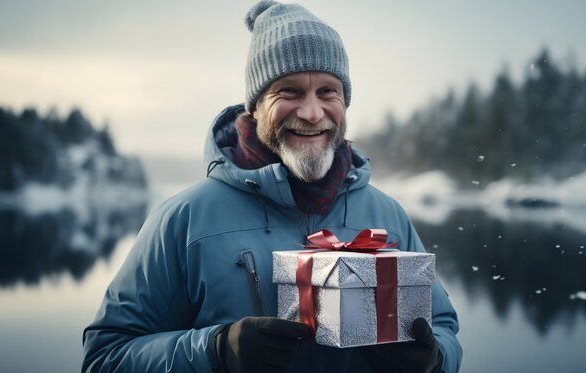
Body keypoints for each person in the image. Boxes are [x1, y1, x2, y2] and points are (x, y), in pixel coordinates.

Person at [82, 1, 462, 372]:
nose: (312, 113)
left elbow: (443, 328)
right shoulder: (183, 220)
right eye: (289, 92)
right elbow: (105, 356)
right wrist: (213, 351)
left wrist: (435, 358)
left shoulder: (387, 216)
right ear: (255, 106)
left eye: (328, 91)